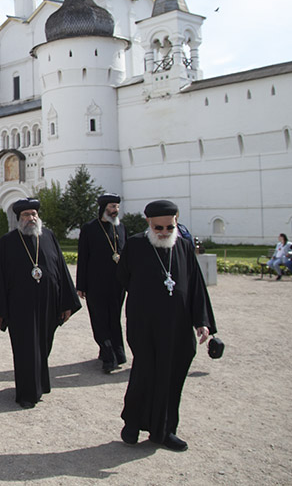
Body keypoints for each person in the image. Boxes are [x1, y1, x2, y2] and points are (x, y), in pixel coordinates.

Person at [118, 199, 216, 452]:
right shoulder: (136, 245)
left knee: (172, 379)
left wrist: (202, 322)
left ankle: (164, 430)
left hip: (178, 327)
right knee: (145, 374)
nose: (163, 233)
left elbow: (196, 287)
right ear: (148, 223)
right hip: (146, 325)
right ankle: (133, 423)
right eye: (158, 228)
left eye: (169, 228)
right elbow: (123, 280)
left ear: (176, 222)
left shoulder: (183, 247)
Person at [0, 198, 80, 408]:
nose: (31, 218)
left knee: (44, 344)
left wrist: (67, 302)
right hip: (20, 306)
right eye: (26, 215)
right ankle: (27, 393)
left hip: (49, 303)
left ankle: (40, 383)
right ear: (19, 219)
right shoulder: (8, 241)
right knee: (25, 348)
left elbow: (62, 270)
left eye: (34, 214)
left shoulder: (48, 236)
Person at [76, 193, 128, 373]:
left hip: (118, 283)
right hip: (95, 283)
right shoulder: (89, 228)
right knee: (99, 319)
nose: (115, 211)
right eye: (112, 207)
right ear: (103, 208)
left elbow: (125, 254)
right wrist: (81, 285)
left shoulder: (120, 227)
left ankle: (117, 353)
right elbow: (83, 257)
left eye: (117, 207)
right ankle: (108, 357)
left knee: (114, 318)